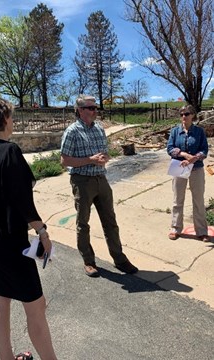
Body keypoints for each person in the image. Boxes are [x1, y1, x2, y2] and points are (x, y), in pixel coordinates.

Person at [0, 97, 57, 360]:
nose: (13, 122)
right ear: (4, 119)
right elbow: (23, 202)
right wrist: (42, 232)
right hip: (8, 241)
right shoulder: (9, 151)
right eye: (11, 117)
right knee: (35, 307)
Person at [60, 94, 139, 277]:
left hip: (101, 179)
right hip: (82, 181)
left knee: (110, 222)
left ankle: (120, 259)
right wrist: (90, 160)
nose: (95, 111)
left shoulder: (99, 129)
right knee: (83, 223)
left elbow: (104, 153)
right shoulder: (72, 131)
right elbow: (64, 161)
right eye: (91, 108)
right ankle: (88, 261)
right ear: (80, 110)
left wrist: (105, 158)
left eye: (96, 108)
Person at [167, 104, 209, 242]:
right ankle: (175, 228)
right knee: (177, 199)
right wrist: (184, 155)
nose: (184, 117)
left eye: (187, 114)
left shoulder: (199, 132)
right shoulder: (174, 132)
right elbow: (170, 148)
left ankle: (202, 231)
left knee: (198, 200)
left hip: (196, 169)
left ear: (192, 115)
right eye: (181, 114)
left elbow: (204, 150)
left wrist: (194, 158)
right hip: (179, 167)